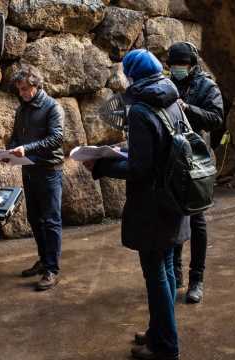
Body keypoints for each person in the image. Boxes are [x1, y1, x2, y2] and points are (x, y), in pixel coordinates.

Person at [84, 49, 185, 360]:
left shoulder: (141, 109)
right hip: (174, 197)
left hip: (151, 204)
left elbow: (141, 168)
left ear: (133, 74)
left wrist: (101, 166)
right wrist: (124, 148)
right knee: (166, 268)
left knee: (155, 275)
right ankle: (159, 332)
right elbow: (162, 146)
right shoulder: (171, 98)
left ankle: (165, 347)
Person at [166, 42, 225, 304]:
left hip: (198, 161)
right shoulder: (168, 84)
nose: (178, 69)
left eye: (183, 65)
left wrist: (189, 109)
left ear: (192, 64)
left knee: (197, 221)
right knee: (175, 217)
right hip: (173, 159)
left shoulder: (207, 87)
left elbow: (216, 118)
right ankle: (176, 272)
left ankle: (196, 279)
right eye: (174, 65)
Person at [8, 64, 64, 291]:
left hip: (49, 170)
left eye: (24, 89)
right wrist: (10, 151)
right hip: (28, 168)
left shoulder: (53, 107)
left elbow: (56, 138)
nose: (22, 94)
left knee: (51, 220)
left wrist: (27, 148)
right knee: (35, 218)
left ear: (36, 85)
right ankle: (43, 260)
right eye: (19, 90)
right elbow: (15, 138)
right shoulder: (22, 109)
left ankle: (52, 269)